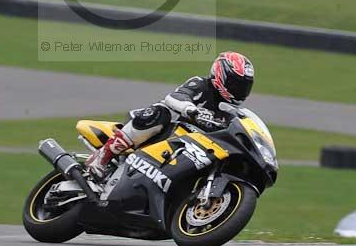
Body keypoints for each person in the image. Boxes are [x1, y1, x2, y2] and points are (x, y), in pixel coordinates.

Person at [86, 51, 255, 179]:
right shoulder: (200, 84)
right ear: (220, 75)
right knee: (161, 112)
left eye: (244, 86)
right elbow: (175, 97)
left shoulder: (231, 112)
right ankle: (103, 156)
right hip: (165, 132)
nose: (239, 90)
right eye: (235, 84)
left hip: (190, 151)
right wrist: (191, 110)